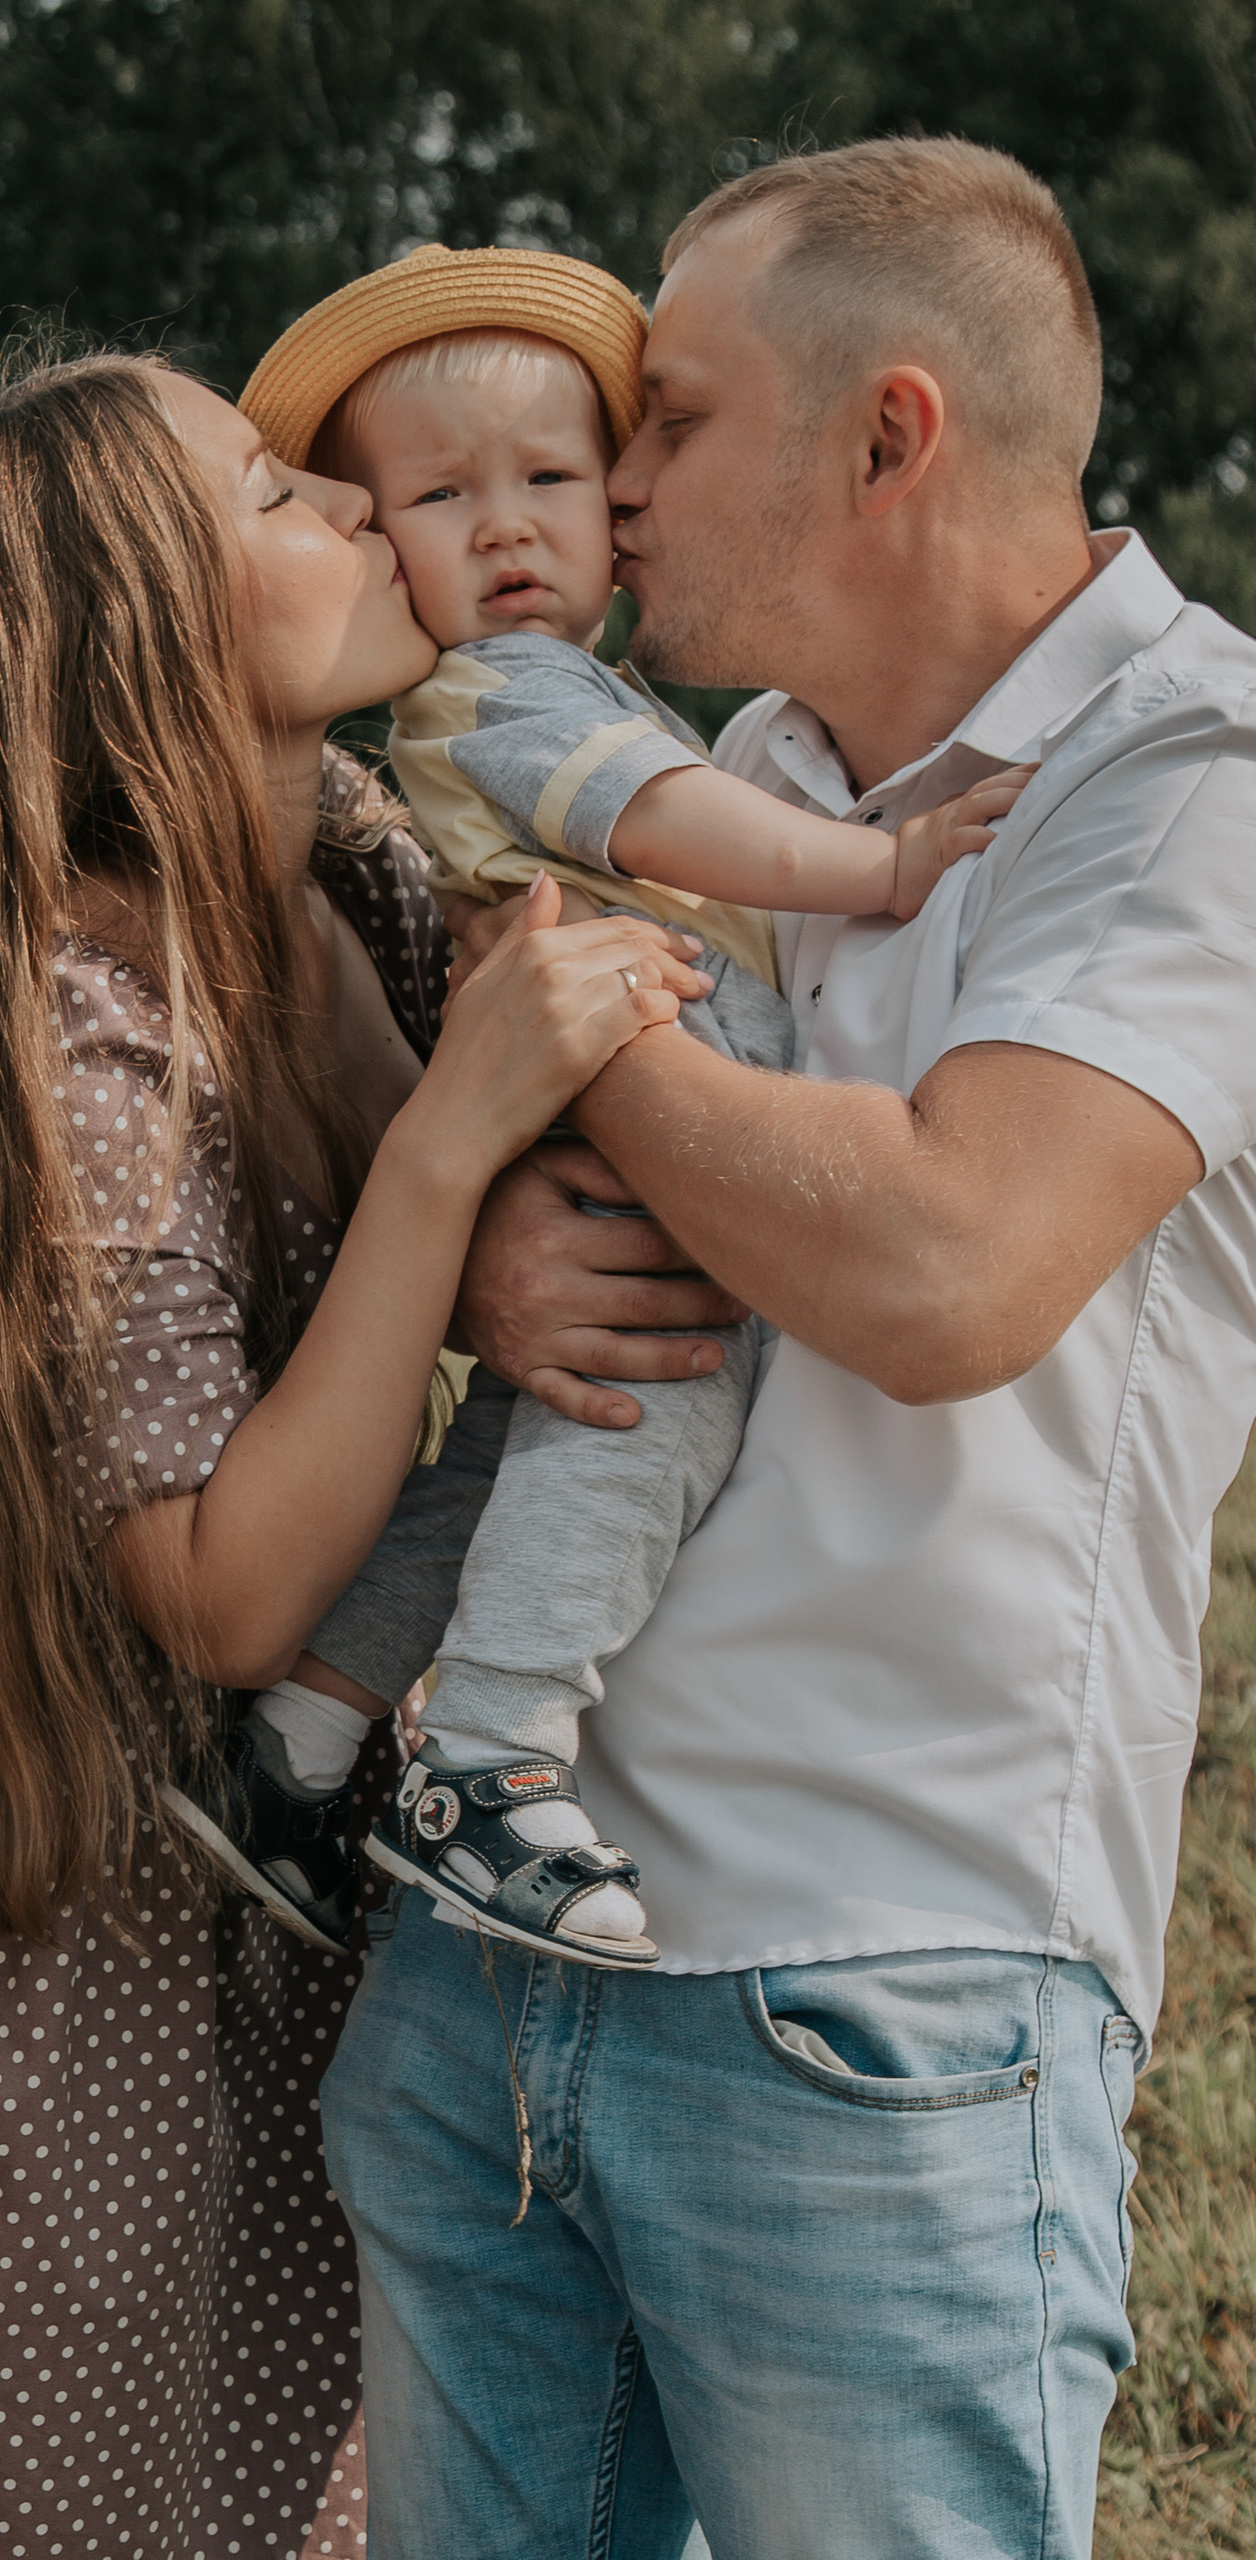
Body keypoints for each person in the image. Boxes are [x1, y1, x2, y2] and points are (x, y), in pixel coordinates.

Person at [324, 137, 1256, 2559]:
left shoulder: (1186, 775)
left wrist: (553, 1014)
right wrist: (492, 1236)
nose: (608, 477)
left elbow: (944, 1266)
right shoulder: (728, 778)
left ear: (885, 435)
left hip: (873, 1998)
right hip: (491, 1960)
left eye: (672, 416)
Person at [0, 348, 705, 2557]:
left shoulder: (351, 880)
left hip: (237, 1902)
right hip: (0, 1951)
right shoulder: (77, 1033)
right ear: (122, 640)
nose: (348, 502)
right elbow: (222, 1587)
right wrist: (439, 1161)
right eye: (267, 492)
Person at [175, 247, 1026, 1969]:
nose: (506, 528)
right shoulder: (508, 690)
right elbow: (661, 823)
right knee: (654, 1419)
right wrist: (878, 867)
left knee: (505, 1458)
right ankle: (488, 1757)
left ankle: (301, 1744)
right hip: (638, 1140)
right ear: (379, 532)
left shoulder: (551, 690)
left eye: (551, 479)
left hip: (587, 1124)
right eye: (441, 496)